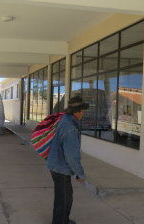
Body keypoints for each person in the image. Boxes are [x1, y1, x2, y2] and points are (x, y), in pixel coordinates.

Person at [47, 95, 89, 224]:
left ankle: (62, 220)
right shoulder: (70, 127)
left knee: (63, 197)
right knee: (64, 199)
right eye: (82, 112)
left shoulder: (64, 119)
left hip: (55, 164)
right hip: (60, 168)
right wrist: (80, 173)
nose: (83, 114)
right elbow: (72, 156)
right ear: (76, 112)